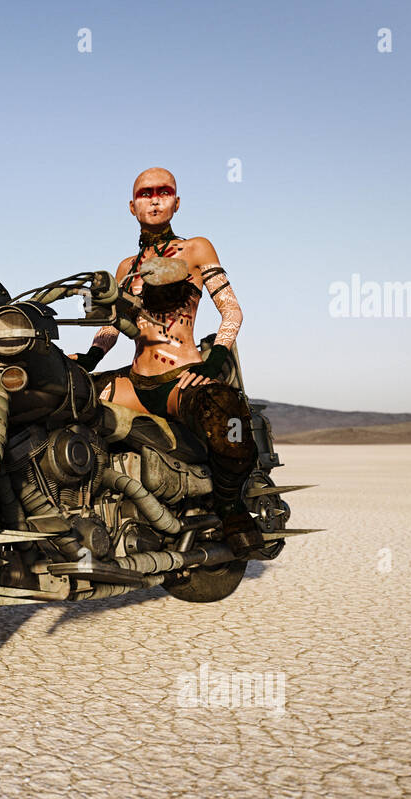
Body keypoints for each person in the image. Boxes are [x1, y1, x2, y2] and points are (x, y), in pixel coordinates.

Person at [73, 166, 265, 557]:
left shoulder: (196, 249)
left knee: (229, 421)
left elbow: (232, 312)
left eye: (164, 191)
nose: (155, 198)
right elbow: (113, 324)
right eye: (146, 193)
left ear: (177, 202)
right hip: (134, 383)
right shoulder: (125, 269)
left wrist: (214, 363)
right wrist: (91, 356)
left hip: (180, 379)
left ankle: (231, 507)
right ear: (132, 206)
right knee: (64, 396)